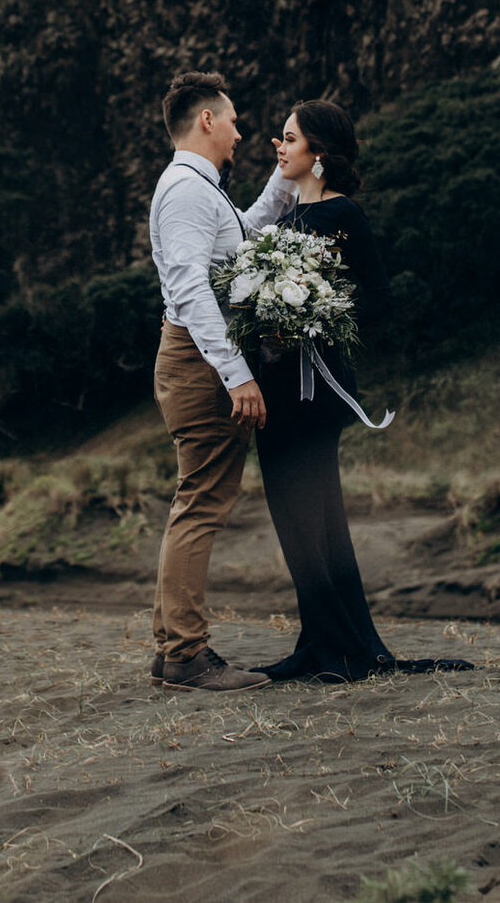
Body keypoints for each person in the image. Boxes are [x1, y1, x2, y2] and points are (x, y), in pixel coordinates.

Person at [250, 99, 471, 682]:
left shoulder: (342, 214)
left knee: (307, 518)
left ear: (318, 153)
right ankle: (326, 644)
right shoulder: (290, 217)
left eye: (290, 139)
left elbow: (378, 298)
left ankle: (338, 649)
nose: (280, 146)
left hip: (312, 387)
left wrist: (315, 316)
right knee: (309, 520)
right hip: (279, 384)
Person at [145, 70, 296, 692]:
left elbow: (241, 235)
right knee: (202, 501)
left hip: (198, 358)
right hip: (200, 361)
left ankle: (169, 649)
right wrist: (236, 376)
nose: (241, 132)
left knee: (196, 498)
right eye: (233, 119)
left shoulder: (201, 189)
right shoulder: (185, 190)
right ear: (207, 120)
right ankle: (186, 655)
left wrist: (285, 184)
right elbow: (189, 288)